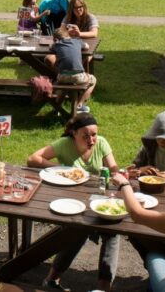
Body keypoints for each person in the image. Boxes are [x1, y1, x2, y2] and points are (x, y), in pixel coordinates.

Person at [28, 114, 120, 291]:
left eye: (94, 134)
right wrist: (62, 170)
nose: (92, 140)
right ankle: (52, 280)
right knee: (77, 229)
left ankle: (103, 287)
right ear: (73, 133)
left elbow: (113, 168)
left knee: (112, 232)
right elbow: (33, 159)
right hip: (71, 200)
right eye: (86, 136)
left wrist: (121, 173)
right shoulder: (64, 144)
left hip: (97, 198)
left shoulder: (101, 142)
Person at [50, 24, 95, 114]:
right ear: (68, 35)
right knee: (93, 80)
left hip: (62, 77)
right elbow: (86, 46)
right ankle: (80, 105)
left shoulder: (57, 44)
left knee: (65, 85)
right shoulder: (77, 41)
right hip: (78, 76)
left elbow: (50, 48)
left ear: (55, 39)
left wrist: (55, 43)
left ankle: (57, 107)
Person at [44, 0, 99, 66]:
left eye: (81, 6)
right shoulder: (68, 17)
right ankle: (60, 75)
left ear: (84, 6)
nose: (79, 9)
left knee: (81, 61)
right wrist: (67, 33)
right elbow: (60, 32)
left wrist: (79, 34)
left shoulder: (90, 17)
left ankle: (70, 75)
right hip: (68, 47)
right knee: (49, 59)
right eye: (76, 8)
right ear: (71, 9)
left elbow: (94, 33)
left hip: (86, 48)